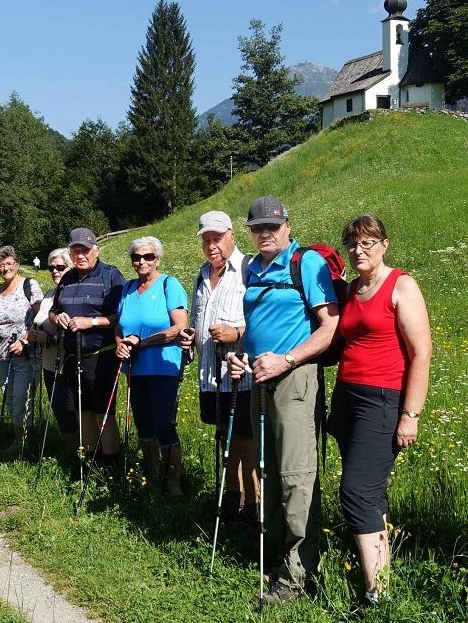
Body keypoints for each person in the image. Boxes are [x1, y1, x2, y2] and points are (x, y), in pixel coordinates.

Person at [229, 196, 339, 606]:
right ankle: (278, 554)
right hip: (259, 378)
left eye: (272, 227)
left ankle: (298, 575)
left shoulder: (306, 264)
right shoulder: (251, 268)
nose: (265, 234)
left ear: (288, 226)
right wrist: (239, 354)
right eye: (258, 228)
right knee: (270, 470)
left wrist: (286, 359)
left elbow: (330, 327)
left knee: (296, 475)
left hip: (295, 378)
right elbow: (255, 326)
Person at [327, 215, 431, 606]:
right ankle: (381, 574)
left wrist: (411, 414)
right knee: (370, 494)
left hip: (383, 401)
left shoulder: (401, 285)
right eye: (353, 244)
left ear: (385, 245)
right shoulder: (352, 288)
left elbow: (422, 352)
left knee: (355, 491)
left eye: (368, 243)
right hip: (348, 397)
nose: (359, 250)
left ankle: (377, 594)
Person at [179, 211, 257, 522]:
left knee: (246, 442)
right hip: (211, 376)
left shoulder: (249, 269)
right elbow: (200, 319)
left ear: (232, 236)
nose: (212, 245)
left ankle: (254, 507)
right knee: (224, 437)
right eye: (206, 240)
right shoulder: (201, 275)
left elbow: (264, 322)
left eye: (217, 238)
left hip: (242, 375)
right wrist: (191, 336)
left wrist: (236, 333)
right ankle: (231, 500)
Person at [48, 228, 126, 479]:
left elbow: (121, 316)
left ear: (96, 251)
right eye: (76, 251)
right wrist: (56, 316)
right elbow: (54, 310)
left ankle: (111, 464)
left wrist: (90, 323)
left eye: (85, 250)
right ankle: (90, 464)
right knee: (82, 411)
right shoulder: (67, 278)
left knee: (104, 412)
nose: (81, 255)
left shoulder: (111, 275)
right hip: (73, 355)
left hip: (101, 353)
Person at [115, 236, 189, 495]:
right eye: (136, 257)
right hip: (135, 369)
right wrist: (120, 344)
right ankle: (151, 477)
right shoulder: (127, 289)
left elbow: (179, 328)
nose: (142, 261)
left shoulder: (170, 284)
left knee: (163, 425)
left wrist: (141, 343)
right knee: (143, 424)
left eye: (148, 256)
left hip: (164, 367)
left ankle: (174, 484)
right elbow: (119, 327)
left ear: (158, 259)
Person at [0, 245, 43, 458]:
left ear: (17, 265)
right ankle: (21, 440)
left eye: (9, 263)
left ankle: (23, 446)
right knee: (9, 399)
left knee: (21, 400)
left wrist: (25, 341)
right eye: (1, 265)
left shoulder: (29, 285)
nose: (5, 268)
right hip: (1, 355)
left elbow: (40, 318)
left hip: (26, 355)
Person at [31, 248, 72, 398]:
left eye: (60, 267)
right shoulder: (49, 294)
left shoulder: (73, 295)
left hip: (66, 366)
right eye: (51, 268)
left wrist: (48, 339)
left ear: (71, 267)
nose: (55, 271)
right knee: (59, 414)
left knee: (69, 414)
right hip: (48, 364)